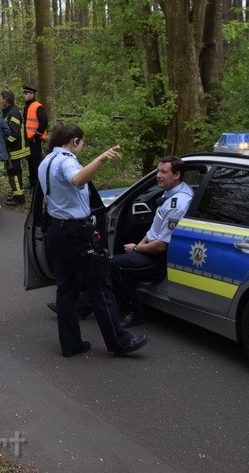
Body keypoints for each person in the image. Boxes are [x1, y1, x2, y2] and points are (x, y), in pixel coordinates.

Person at [39, 122, 148, 358]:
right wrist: (101, 159)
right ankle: (119, 342)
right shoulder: (67, 160)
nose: (81, 147)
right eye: (82, 142)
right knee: (101, 285)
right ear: (75, 141)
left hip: (57, 232)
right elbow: (77, 180)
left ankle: (71, 344)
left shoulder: (46, 161)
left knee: (66, 290)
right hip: (74, 235)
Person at [111, 155, 194, 327]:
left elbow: (161, 246)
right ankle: (84, 306)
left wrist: (136, 249)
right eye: (158, 171)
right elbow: (154, 230)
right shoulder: (172, 191)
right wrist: (140, 245)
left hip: (160, 259)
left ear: (177, 175)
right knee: (113, 262)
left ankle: (133, 312)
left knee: (116, 265)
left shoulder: (178, 204)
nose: (158, 175)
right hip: (151, 249)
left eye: (164, 172)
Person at [0, 89, 28, 206]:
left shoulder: (14, 113)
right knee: (12, 173)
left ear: (6, 100)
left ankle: (19, 197)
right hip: (11, 149)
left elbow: (14, 134)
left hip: (15, 150)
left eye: (1, 98)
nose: (0, 100)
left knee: (14, 173)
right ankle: (16, 194)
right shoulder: (8, 112)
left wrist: (6, 143)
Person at [22, 85, 48, 189]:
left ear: (32, 94)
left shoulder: (38, 106)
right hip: (28, 139)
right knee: (30, 162)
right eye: (24, 93)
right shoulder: (27, 106)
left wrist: (36, 135)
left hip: (35, 140)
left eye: (26, 93)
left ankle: (38, 185)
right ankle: (32, 183)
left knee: (36, 162)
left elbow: (44, 122)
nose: (24, 95)